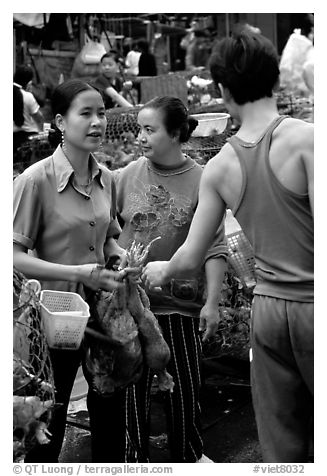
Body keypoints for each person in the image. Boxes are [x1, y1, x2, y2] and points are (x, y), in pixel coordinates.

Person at [142, 30, 314, 463]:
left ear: (222, 90)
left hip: (269, 313)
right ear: (275, 81)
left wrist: (156, 271)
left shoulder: (219, 166)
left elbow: (188, 261)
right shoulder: (308, 141)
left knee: (283, 440)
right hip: (316, 304)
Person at [13, 78, 126, 462]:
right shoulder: (35, 180)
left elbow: (109, 238)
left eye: (101, 113)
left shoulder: (107, 177)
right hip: (52, 319)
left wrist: (118, 256)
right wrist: (79, 272)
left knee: (110, 406)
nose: (98, 122)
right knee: (51, 416)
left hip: (102, 314)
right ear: (61, 122)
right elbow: (13, 256)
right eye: (86, 114)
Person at [111, 96, 228, 462]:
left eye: (150, 130)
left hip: (180, 306)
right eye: (140, 129)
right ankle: (135, 461)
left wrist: (211, 304)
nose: (141, 138)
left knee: (185, 390)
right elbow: (106, 231)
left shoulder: (202, 179)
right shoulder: (125, 176)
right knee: (133, 392)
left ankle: (188, 457)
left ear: (176, 133)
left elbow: (215, 246)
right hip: (133, 306)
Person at [13, 65, 44, 154]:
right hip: (25, 140)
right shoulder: (27, 96)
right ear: (29, 82)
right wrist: (41, 133)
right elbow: (39, 118)